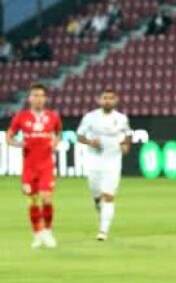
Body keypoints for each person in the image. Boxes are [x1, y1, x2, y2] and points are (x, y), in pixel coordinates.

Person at [6, 83, 63, 248]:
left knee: (47, 197)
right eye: (34, 95)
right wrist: (19, 144)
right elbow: (9, 138)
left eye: (41, 95)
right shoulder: (21, 117)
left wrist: (55, 142)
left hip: (46, 165)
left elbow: (59, 132)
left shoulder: (53, 117)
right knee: (33, 201)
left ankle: (48, 231)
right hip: (29, 166)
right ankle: (37, 233)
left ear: (45, 98)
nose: (38, 98)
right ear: (29, 98)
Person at [75, 88, 132, 241]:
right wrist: (89, 142)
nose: (107, 101)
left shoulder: (121, 118)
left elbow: (128, 135)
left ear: (116, 100)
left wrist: (126, 146)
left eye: (110, 98)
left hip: (113, 161)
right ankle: (97, 203)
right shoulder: (90, 117)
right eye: (105, 98)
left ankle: (103, 231)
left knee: (108, 196)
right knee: (97, 195)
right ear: (99, 100)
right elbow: (79, 135)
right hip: (94, 161)